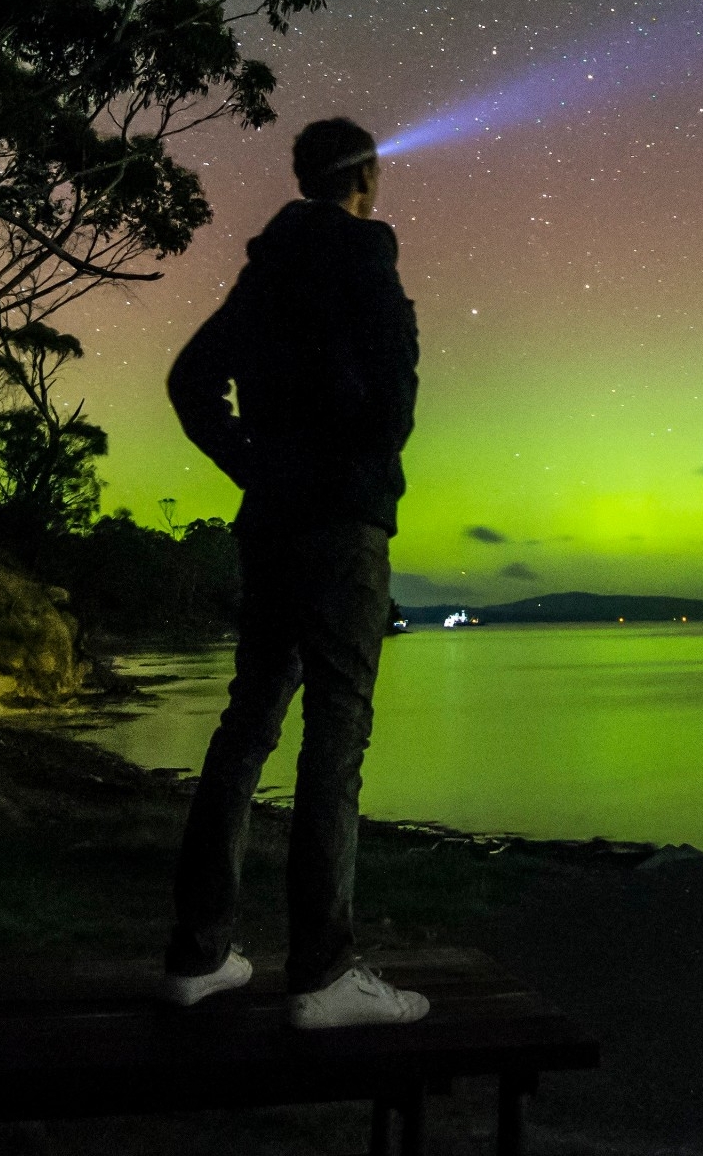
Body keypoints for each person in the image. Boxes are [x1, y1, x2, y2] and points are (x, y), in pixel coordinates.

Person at [159, 117, 429, 1028]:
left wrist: (255, 465)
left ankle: (198, 954)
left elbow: (192, 379)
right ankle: (321, 972)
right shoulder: (367, 259)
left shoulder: (266, 270)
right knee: (335, 737)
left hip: (270, 524)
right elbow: (392, 414)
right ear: (366, 177)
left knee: (246, 728)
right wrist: (338, 449)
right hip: (340, 530)